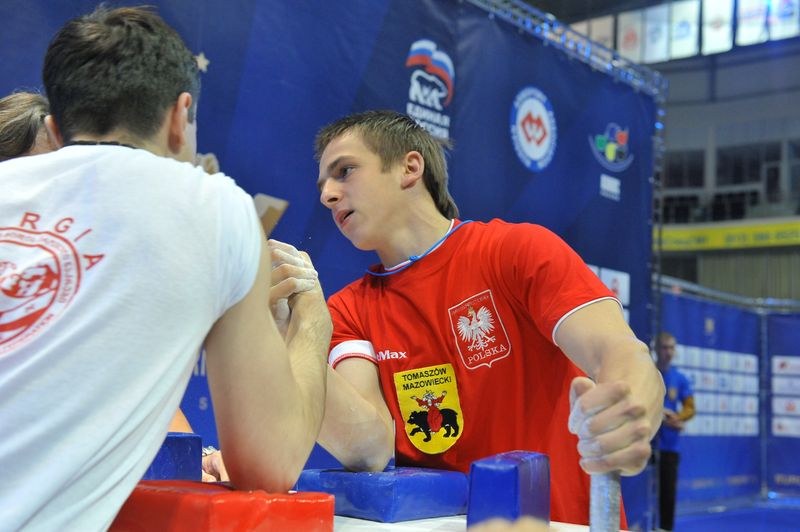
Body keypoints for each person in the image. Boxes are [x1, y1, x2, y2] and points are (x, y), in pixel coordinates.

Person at [0, 6, 330, 530]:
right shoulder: (216, 208)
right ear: (180, 117)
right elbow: (271, 462)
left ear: (55, 127)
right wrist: (314, 317)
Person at [301, 110, 664, 525]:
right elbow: (370, 447)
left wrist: (626, 410)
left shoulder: (517, 252)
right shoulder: (348, 310)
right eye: (323, 184)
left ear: (409, 167)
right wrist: (291, 333)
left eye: (344, 171)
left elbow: (621, 353)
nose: (328, 194)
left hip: (563, 523)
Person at [0, 90, 226, 482]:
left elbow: (132, 394)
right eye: (25, 177)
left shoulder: (95, 276)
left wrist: (196, 461)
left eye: (59, 179)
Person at [653, 331, 695, 531]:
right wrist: (659, 413)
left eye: (671, 348)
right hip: (646, 443)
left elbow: (690, 408)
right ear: (656, 349)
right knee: (644, 492)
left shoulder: (680, 378)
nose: (668, 352)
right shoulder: (646, 373)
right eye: (664, 347)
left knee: (667, 493)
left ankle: (665, 528)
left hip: (670, 445)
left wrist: (677, 418)